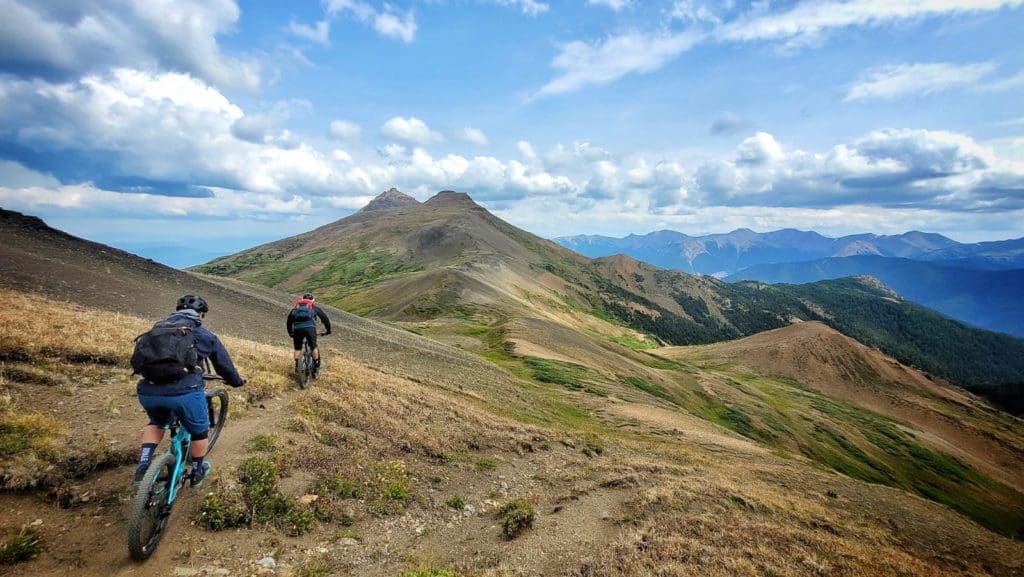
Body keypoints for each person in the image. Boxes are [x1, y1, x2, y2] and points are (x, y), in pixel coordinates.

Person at [134, 295, 245, 488]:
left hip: (148, 391)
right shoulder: (203, 335)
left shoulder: (157, 330)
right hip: (184, 391)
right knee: (200, 431)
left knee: (157, 422)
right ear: (200, 314)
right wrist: (236, 382)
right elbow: (223, 365)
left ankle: (143, 466)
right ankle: (197, 471)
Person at [286, 292, 332, 376]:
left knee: (298, 348)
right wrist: (328, 330)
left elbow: (289, 322)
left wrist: (290, 332)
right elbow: (324, 318)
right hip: (310, 329)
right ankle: (316, 368)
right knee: (313, 346)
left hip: (297, 329)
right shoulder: (313, 307)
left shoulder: (296, 308)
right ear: (312, 301)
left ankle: (297, 367)